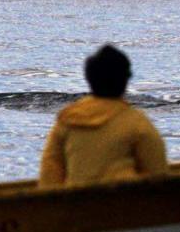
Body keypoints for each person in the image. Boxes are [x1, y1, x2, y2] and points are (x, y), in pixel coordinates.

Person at [39, 44, 167, 189]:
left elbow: (49, 177)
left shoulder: (67, 120)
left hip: (77, 205)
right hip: (122, 206)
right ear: (126, 80)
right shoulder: (136, 122)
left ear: (88, 78)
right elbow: (158, 176)